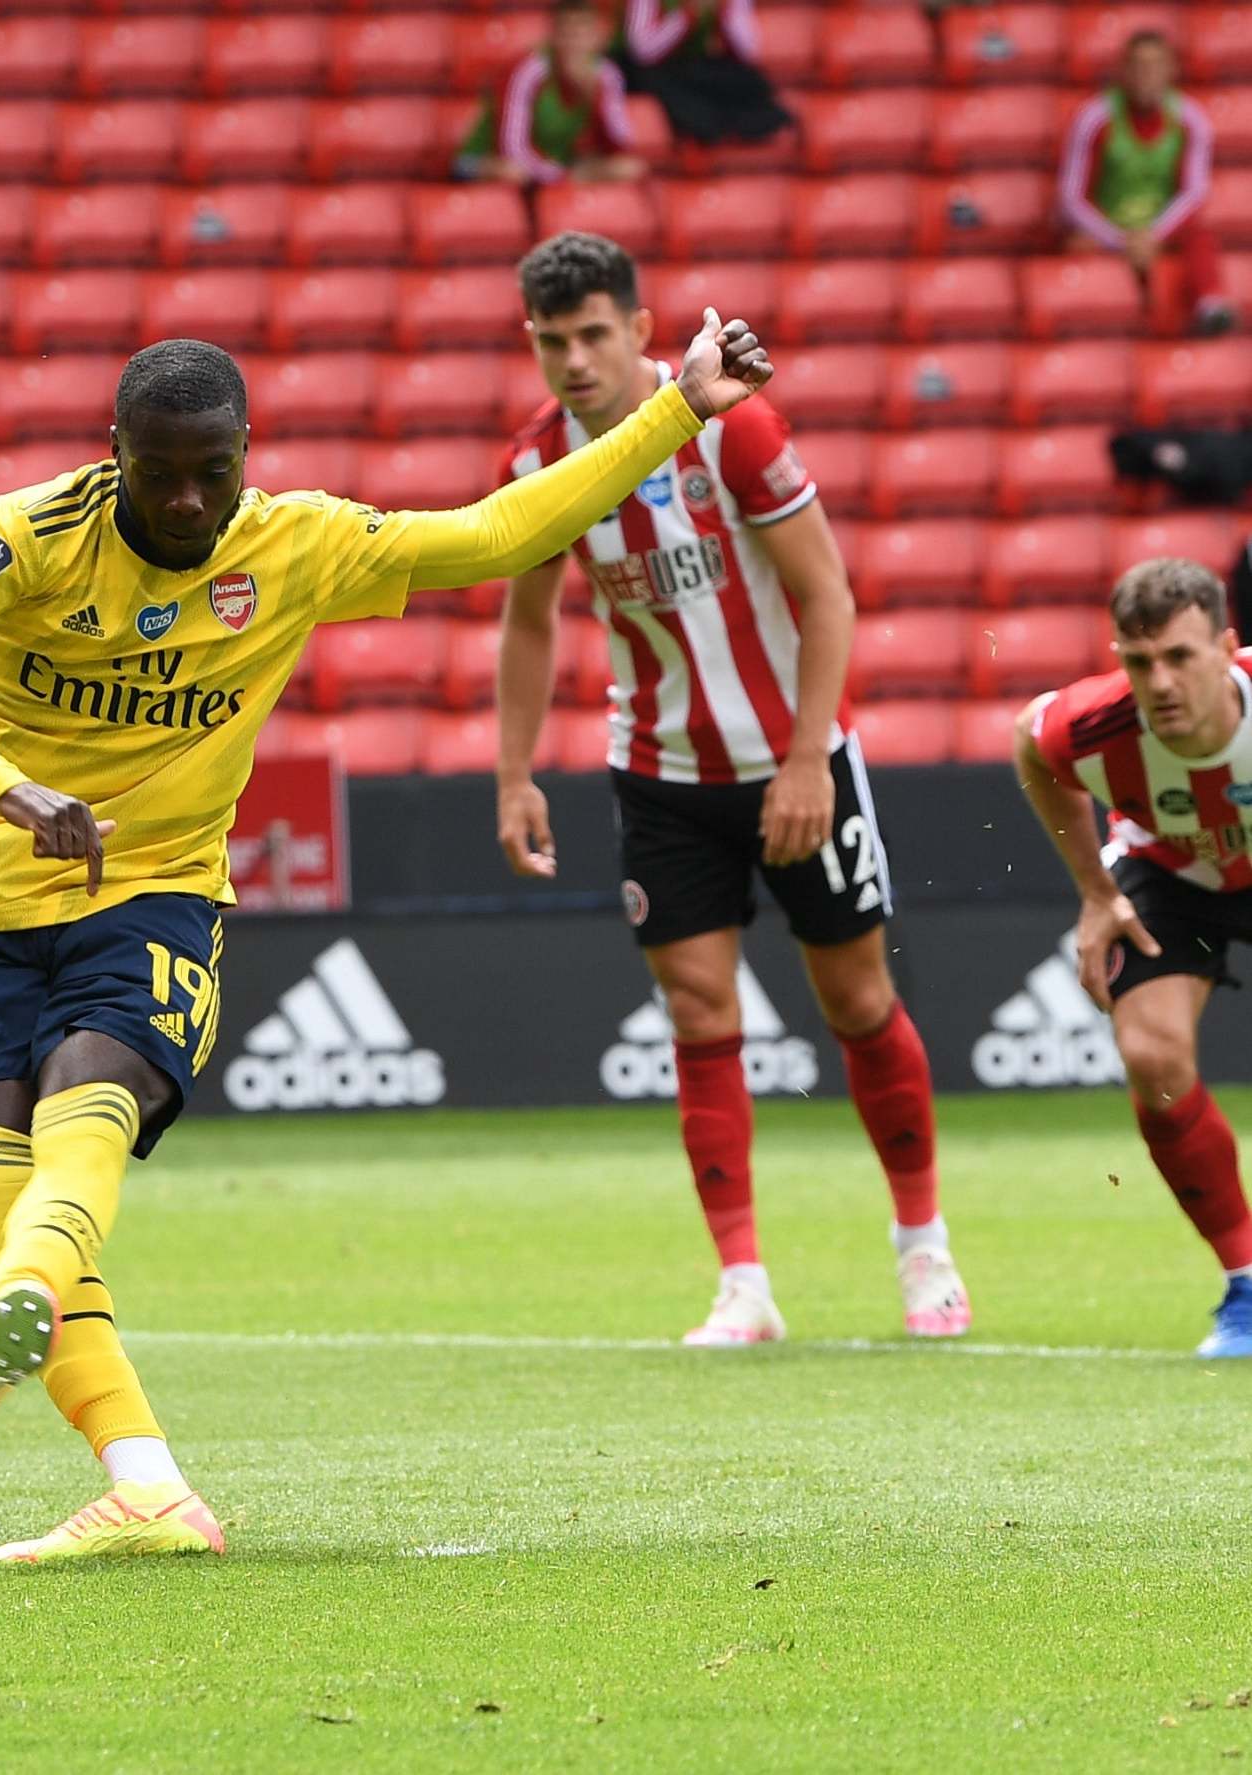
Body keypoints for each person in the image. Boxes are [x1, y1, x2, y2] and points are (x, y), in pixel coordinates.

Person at [0, 318, 775, 1564]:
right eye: (156, 469)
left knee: (78, 1115)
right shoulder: (34, 534)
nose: (184, 498)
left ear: (243, 453)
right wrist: (5, 787)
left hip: (151, 893)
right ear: (111, 453)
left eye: (209, 469)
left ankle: (26, 1286)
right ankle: (148, 1487)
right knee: (16, 1182)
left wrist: (677, 411)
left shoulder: (296, 542)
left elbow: (496, 534)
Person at [491, 232, 968, 1349]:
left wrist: (807, 757)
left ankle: (921, 1245)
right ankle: (742, 1283)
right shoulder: (534, 463)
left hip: (793, 761)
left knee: (854, 1003)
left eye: (592, 335)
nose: (572, 361)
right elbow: (527, 621)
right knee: (698, 1013)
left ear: (638, 330)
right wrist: (511, 773)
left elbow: (827, 595)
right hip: (657, 776)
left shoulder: (730, 426)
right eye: (551, 341)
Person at [1013, 559, 1252, 1356]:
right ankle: (1247, 1285)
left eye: (1180, 657)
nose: (1160, 682)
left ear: (1227, 646)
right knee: (1151, 1056)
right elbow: (1031, 747)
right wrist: (1093, 889)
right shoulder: (1091, 725)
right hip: (1169, 872)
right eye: (1138, 660)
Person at [1058, 32, 1235, 337]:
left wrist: (1152, 235)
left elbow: (1194, 193)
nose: (1146, 76)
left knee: (1200, 237)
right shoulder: (1095, 118)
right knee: (1074, 247)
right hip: (1107, 227)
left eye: (1155, 66)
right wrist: (1119, 238)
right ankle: (1090, 340)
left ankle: (1210, 305)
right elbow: (1070, 198)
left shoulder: (1190, 119)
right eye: (1138, 66)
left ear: (1171, 71)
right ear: (1123, 71)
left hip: (1160, 229)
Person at [455, 0, 646, 186]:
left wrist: (593, 97)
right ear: (553, 35)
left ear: (596, 38)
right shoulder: (527, 70)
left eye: (582, 34)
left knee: (629, 167)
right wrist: (560, 176)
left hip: (561, 163)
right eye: (567, 33)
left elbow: (620, 143)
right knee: (513, 171)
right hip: (492, 158)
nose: (575, 43)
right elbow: (510, 146)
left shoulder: (606, 75)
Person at [616, 0, 792, 147]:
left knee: (752, 81)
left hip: (703, 70)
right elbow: (642, 52)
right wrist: (686, 16)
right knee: (661, 82)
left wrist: (723, 13)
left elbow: (748, 51)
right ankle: (711, 128)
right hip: (663, 69)